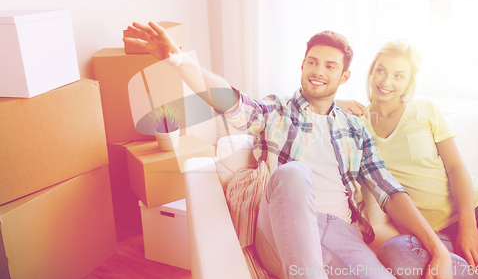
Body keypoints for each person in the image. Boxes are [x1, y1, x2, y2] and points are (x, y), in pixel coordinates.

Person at [123, 22, 453, 279]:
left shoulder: (356, 128)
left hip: (341, 234)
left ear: (344, 76)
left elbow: (390, 191)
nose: (318, 71)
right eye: (312, 62)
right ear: (302, 66)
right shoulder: (275, 112)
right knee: (294, 173)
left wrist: (436, 247)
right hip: (280, 230)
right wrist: (178, 60)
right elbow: (229, 99)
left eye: (329, 66)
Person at [337, 39, 478, 279]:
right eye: (380, 70)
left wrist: (468, 227)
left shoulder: (424, 109)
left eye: (398, 76)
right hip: (435, 235)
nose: (386, 81)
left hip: (477, 210)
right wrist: (335, 101)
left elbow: (456, 168)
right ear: (371, 71)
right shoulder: (358, 124)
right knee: (395, 253)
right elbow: (307, 103)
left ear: (409, 82)